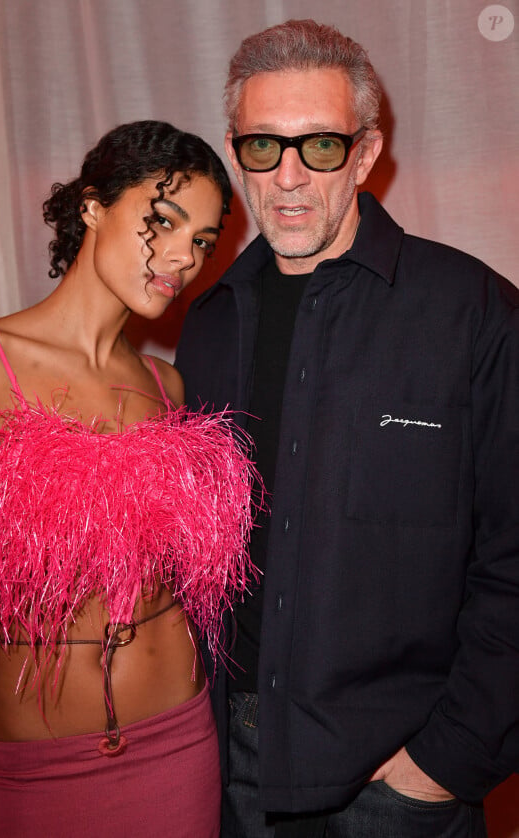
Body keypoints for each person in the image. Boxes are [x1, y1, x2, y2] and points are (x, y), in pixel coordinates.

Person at [175, 18, 519, 838]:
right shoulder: (208, 326)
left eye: (320, 148)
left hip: (401, 779)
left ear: (364, 155)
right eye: (264, 147)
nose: (288, 177)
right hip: (233, 770)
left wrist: (443, 766)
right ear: (235, 152)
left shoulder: (475, 313)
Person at [0, 119, 262, 838]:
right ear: (92, 205)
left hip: (180, 746)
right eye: (165, 220)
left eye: (203, 241)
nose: (183, 257)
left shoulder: (166, 386)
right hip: (38, 771)